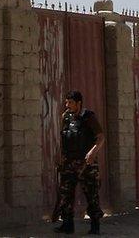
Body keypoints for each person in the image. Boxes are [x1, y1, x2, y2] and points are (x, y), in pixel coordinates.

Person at [52, 90, 105, 234]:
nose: (67, 105)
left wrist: (93, 152)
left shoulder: (88, 117)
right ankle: (67, 225)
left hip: (86, 163)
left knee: (91, 194)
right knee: (66, 193)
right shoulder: (66, 117)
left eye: (71, 103)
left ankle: (95, 226)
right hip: (69, 162)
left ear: (79, 103)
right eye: (66, 102)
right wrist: (59, 156)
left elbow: (101, 137)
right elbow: (63, 139)